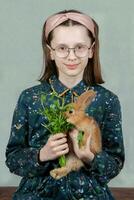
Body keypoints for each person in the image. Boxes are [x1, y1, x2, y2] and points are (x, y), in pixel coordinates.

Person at [5, 9, 125, 200]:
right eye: (62, 48)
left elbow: (115, 163)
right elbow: (13, 159)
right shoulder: (29, 98)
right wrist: (42, 154)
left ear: (91, 50)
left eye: (80, 47)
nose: (71, 56)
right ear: (50, 52)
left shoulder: (107, 100)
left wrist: (89, 157)